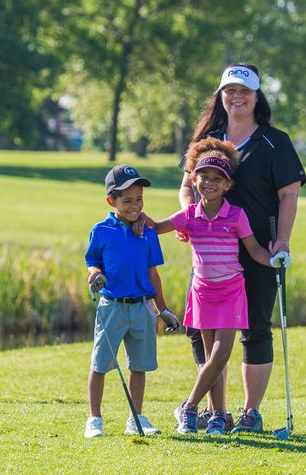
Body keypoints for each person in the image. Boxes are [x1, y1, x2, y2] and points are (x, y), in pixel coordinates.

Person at [177, 63, 306, 433]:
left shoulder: (274, 141)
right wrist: (189, 218)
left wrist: (282, 239)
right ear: (221, 95)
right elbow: (187, 185)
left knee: (255, 328)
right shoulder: (209, 138)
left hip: (257, 246)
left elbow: (288, 194)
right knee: (200, 329)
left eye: (245, 92)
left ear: (256, 97)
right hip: (210, 250)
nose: (237, 97)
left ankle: (250, 413)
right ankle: (216, 411)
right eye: (230, 91)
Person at [151, 138, 287, 435]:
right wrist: (131, 218)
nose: (209, 183)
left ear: (228, 185)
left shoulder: (236, 215)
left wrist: (275, 260)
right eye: (204, 177)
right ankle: (218, 417)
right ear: (194, 179)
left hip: (231, 291)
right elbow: (156, 227)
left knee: (220, 355)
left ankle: (187, 408)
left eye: (217, 179)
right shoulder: (188, 216)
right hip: (202, 292)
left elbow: (253, 250)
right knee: (209, 356)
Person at [83, 164, 180, 438]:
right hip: (112, 306)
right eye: (127, 200)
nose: (135, 205)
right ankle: (94, 419)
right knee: (101, 364)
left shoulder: (147, 232)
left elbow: (153, 273)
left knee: (140, 365)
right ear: (111, 200)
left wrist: (163, 310)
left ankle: (135, 418)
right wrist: (96, 275)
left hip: (142, 308)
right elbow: (93, 262)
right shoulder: (101, 230)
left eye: (139, 199)